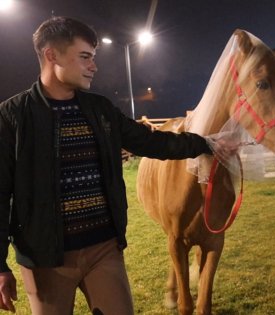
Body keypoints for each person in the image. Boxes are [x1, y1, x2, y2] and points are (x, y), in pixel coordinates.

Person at [0, 17, 234, 314]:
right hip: (46, 259)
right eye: (85, 57)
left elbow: (155, 143)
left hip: (104, 250)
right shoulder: (12, 118)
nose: (93, 66)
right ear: (52, 55)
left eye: (93, 58)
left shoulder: (101, 110)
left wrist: (207, 143)